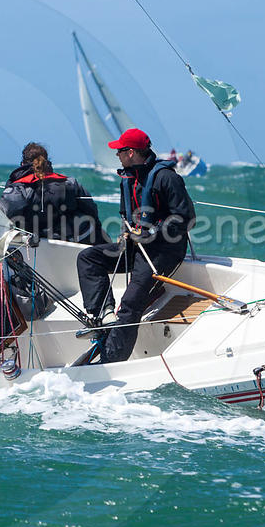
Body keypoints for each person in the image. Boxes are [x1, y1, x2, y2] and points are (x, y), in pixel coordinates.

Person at [76, 127, 195, 363]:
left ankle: (111, 362)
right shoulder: (127, 178)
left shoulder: (167, 178)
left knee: (130, 304)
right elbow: (125, 214)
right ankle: (106, 315)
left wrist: (153, 232)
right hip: (136, 246)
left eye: (120, 151)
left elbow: (186, 218)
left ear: (131, 152)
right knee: (88, 258)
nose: (116, 155)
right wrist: (127, 235)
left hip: (164, 251)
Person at [0, 142, 107, 244]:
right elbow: (91, 210)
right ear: (47, 162)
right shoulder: (70, 183)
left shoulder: (18, 189)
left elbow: (2, 217)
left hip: (34, 243)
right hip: (71, 240)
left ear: (22, 163)